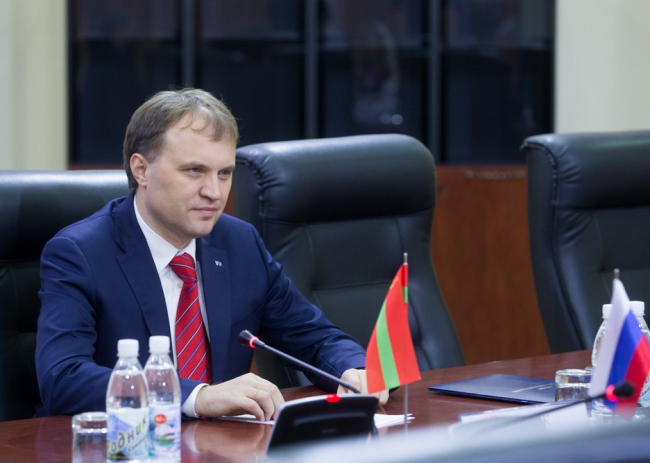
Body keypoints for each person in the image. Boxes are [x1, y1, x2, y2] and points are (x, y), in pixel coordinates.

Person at [35, 88, 388, 421]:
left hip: (224, 446)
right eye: (195, 171)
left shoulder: (239, 243)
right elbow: (63, 377)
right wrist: (197, 397)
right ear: (141, 169)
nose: (214, 192)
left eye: (224, 173)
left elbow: (317, 338)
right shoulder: (80, 253)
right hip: (124, 445)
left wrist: (353, 369)